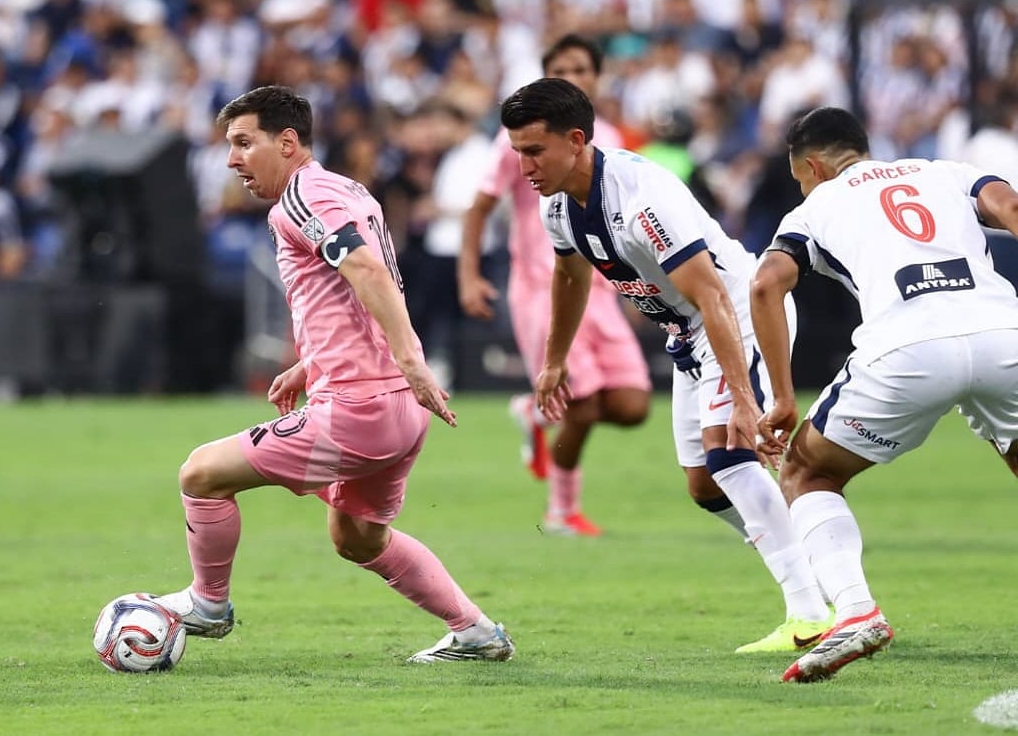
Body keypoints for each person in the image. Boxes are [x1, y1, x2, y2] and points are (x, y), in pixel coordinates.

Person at [153, 85, 514, 664]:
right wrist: (311, 361)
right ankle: (475, 632)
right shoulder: (346, 190)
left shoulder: (300, 198)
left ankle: (208, 605)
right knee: (356, 537)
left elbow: (368, 269)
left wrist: (409, 360)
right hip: (398, 409)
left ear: (288, 142)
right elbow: (356, 291)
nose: (232, 160)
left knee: (201, 473)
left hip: (359, 409)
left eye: (245, 143)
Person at [498, 77, 829, 653]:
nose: (524, 166)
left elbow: (714, 297)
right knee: (705, 487)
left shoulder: (643, 198)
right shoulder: (557, 207)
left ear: (575, 140)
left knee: (730, 457)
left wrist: (746, 398)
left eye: (534, 151)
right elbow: (571, 274)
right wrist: (554, 361)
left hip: (737, 316)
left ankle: (811, 610)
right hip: (688, 333)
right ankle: (823, 572)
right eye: (517, 152)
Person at [750, 106, 1018, 682]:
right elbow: (1011, 206)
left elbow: (767, 283)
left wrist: (782, 396)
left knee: (806, 474)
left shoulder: (815, 205)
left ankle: (855, 610)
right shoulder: (944, 171)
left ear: (814, 167)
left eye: (800, 177)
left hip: (907, 347)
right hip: (1005, 333)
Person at [460, 34, 650, 536]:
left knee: (632, 406)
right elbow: (479, 205)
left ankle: (532, 412)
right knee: (582, 405)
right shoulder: (520, 139)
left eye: (582, 68)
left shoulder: (609, 135)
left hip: (603, 287)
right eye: (561, 68)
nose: (574, 76)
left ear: (597, 77)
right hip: (542, 286)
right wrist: (470, 275)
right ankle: (561, 512)